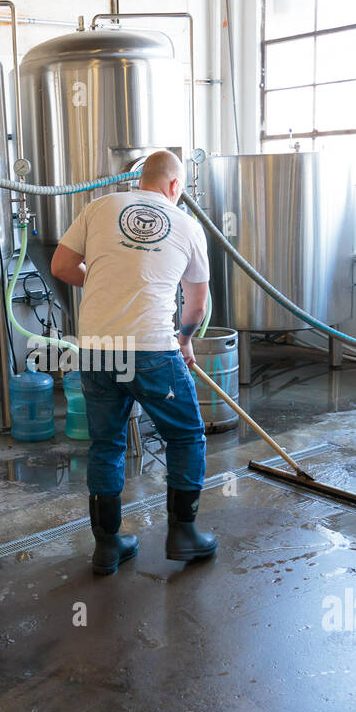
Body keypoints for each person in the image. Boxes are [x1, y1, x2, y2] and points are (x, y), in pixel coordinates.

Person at [51, 149, 217, 576]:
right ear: (175, 186)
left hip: (97, 348)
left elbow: (62, 265)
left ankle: (108, 546)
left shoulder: (100, 206)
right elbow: (196, 305)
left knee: (107, 444)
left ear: (141, 179)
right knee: (185, 437)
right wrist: (184, 339)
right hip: (152, 349)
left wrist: (108, 278)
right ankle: (183, 535)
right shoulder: (187, 225)